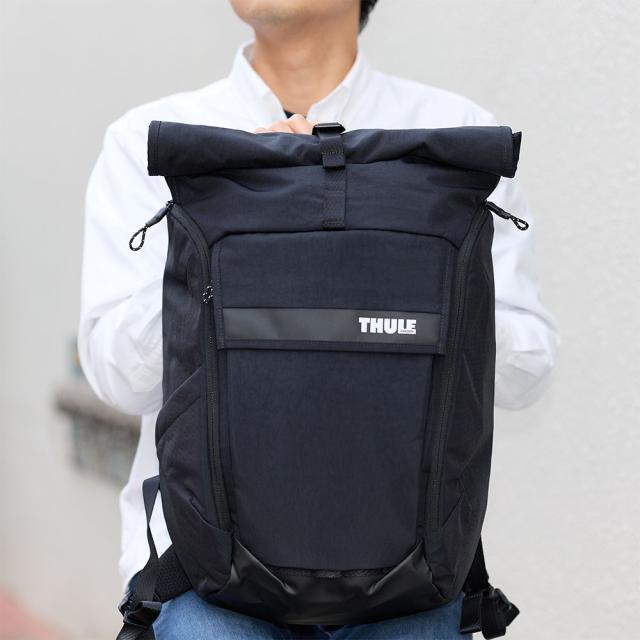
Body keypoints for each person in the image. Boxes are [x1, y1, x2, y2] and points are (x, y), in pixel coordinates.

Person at [78, 1, 558, 637]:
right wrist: (241, 220)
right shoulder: (157, 143)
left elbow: (527, 372)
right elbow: (117, 377)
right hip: (206, 578)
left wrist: (382, 247)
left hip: (411, 572)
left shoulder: (457, 139)